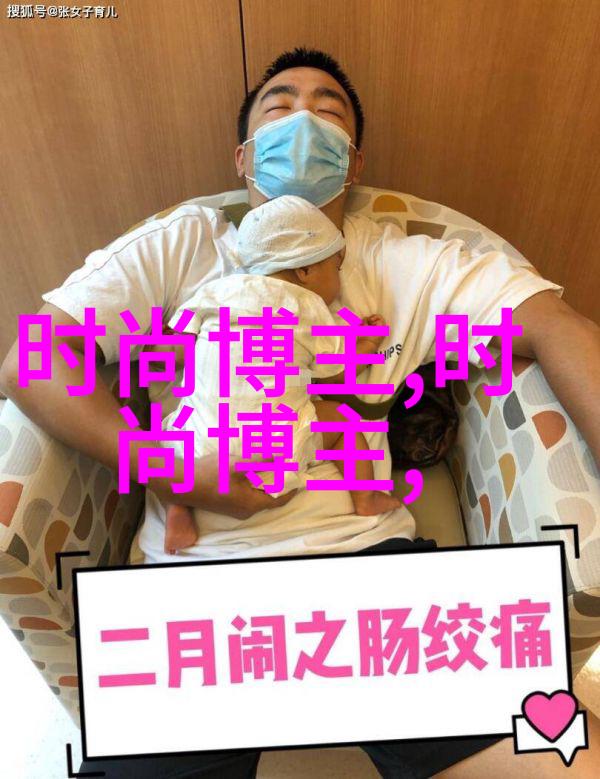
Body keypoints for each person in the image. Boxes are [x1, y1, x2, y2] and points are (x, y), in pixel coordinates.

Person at [1, 47, 599, 778]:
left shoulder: (406, 262)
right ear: (244, 156)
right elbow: (32, 360)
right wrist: (164, 467)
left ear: (352, 162)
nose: (304, 120)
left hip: (372, 578)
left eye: (328, 111)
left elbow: (555, 326)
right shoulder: (184, 246)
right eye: (280, 108)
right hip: (190, 594)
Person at [161, 194, 401, 556]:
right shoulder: (310, 307)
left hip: (203, 454)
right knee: (341, 422)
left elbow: (177, 346)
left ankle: (179, 509)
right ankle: (366, 497)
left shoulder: (216, 291)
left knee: (170, 432)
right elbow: (336, 379)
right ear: (305, 271)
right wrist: (364, 345)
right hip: (276, 451)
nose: (338, 281)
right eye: (335, 268)